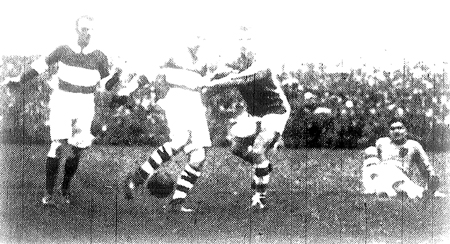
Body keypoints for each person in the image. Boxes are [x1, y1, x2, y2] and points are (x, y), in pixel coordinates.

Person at [16, 15, 121, 206]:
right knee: (57, 145)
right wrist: (20, 80)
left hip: (85, 102)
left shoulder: (99, 55)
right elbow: (40, 66)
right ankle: (48, 194)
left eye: (91, 30)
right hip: (62, 99)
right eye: (84, 29)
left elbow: (106, 85)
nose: (88, 33)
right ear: (76, 30)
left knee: (77, 149)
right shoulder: (63, 49)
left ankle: (65, 190)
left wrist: (117, 76)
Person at [121, 44, 216, 212]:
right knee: (180, 140)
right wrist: (129, 89)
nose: (199, 39)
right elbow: (151, 72)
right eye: (196, 35)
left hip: (195, 103)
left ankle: (176, 203)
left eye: (202, 36)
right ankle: (136, 179)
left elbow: (207, 82)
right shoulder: (174, 52)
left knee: (198, 157)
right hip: (178, 99)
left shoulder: (204, 57)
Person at [204, 47, 291, 210]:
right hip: (255, 114)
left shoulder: (261, 67)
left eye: (246, 54)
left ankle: (260, 197)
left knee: (258, 149)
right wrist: (208, 80)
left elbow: (236, 80)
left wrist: (210, 84)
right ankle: (263, 166)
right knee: (236, 148)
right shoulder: (237, 69)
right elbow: (222, 74)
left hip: (276, 111)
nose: (242, 57)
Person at [361, 118, 442, 198]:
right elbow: (370, 164)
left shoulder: (413, 145)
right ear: (389, 132)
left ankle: (385, 191)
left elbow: (425, 167)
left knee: (396, 180)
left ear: (406, 131)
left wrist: (431, 180)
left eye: (400, 128)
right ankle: (376, 189)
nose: (396, 131)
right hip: (381, 174)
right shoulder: (382, 143)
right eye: (392, 129)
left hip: (400, 176)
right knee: (370, 150)